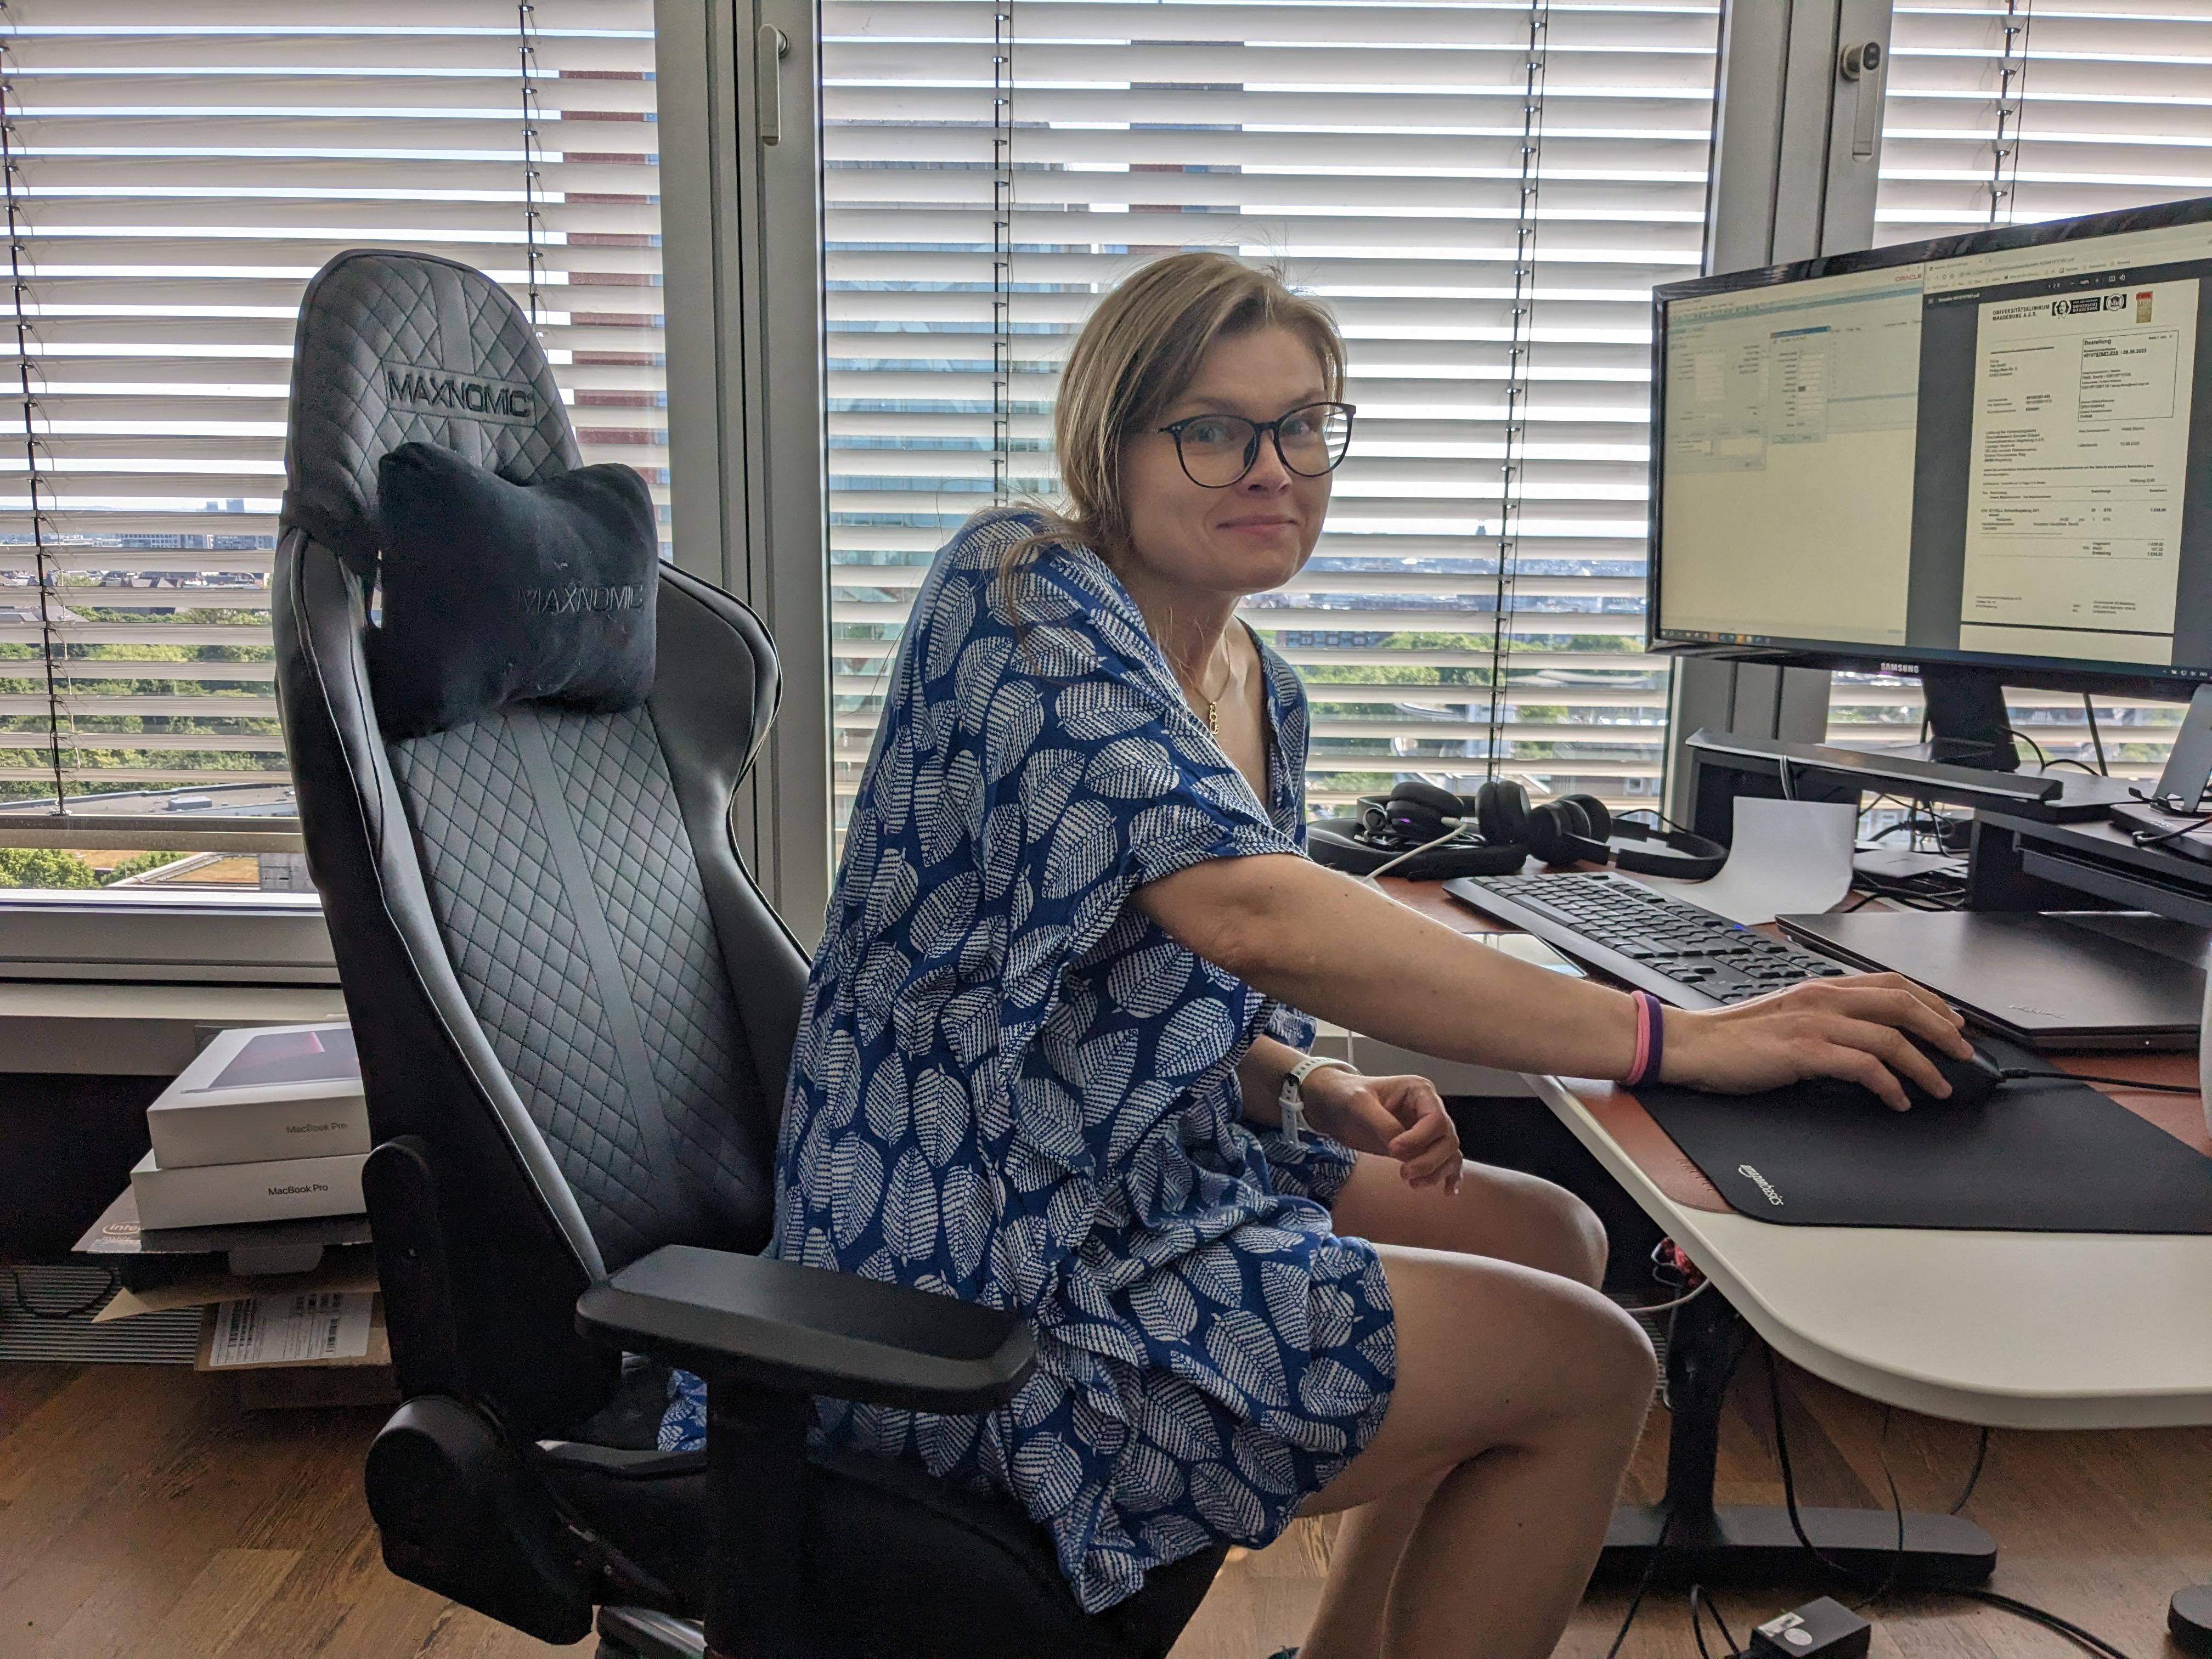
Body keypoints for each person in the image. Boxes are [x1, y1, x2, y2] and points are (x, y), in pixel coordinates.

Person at [727, 252, 1972, 1659]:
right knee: (1589, 1369)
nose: (1273, 468)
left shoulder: (1264, 687)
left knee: (1560, 1238)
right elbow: (1251, 916)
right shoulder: (1020, 589)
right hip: (980, 1262)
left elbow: (1145, 990)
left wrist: (1308, 1083)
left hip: (1142, 1172)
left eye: (1304, 425)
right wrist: (1674, 1037)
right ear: (1109, 445)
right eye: (1214, 430)